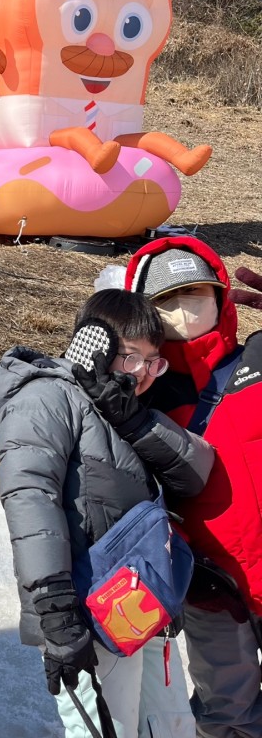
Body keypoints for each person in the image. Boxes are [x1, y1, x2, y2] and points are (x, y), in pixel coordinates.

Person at [0, 288, 214, 738]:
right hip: (86, 609)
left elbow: (195, 474)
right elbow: (30, 497)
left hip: (141, 601)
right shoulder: (45, 397)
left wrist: (133, 418)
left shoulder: (121, 406)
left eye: (154, 361)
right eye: (132, 357)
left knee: (169, 727)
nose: (145, 374)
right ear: (96, 348)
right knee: (110, 730)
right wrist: (54, 607)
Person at [126, 236, 262, 737]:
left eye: (197, 294)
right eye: (166, 301)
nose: (184, 310)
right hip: (210, 587)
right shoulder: (138, 389)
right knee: (227, 711)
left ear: (222, 298)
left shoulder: (260, 357)